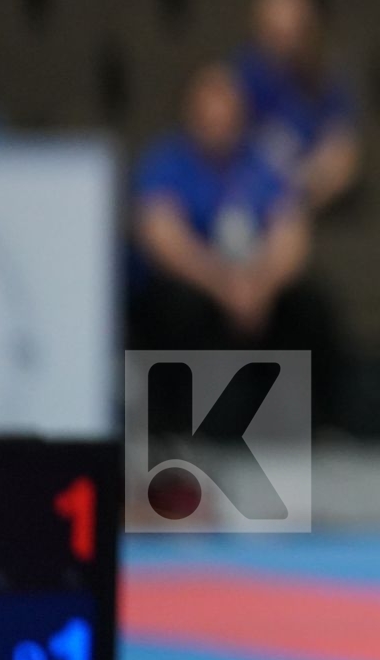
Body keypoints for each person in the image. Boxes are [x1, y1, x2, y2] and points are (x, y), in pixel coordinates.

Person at [129, 62, 340, 423]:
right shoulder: (165, 162)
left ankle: (311, 424)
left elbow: (291, 232)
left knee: (310, 307)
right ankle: (175, 425)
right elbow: (162, 237)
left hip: (256, 284)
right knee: (177, 309)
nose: (218, 122)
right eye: (208, 114)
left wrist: (260, 285)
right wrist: (224, 285)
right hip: (196, 284)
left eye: (226, 113)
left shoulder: (264, 163)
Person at [233, 0, 361, 213]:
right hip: (241, 200)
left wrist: (294, 199)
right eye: (274, 34)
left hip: (302, 202)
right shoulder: (238, 77)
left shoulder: (327, 81)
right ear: (258, 27)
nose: (285, 43)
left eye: (294, 32)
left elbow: (343, 157)